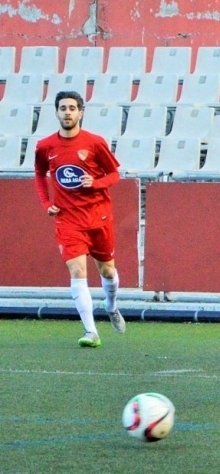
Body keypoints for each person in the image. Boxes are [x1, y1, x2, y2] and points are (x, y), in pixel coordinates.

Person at [34, 90, 126, 348]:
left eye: (72, 108)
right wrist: (46, 203)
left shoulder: (95, 143)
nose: (67, 112)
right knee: (77, 270)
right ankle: (91, 332)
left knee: (107, 271)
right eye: (62, 108)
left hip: (98, 218)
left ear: (80, 112)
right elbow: (40, 174)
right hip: (68, 220)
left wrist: (95, 183)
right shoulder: (45, 146)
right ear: (56, 112)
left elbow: (114, 175)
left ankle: (111, 305)